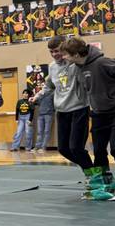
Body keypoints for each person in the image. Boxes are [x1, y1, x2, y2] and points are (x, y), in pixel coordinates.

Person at [61, 37, 115, 199]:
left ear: (75, 54)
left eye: (66, 55)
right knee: (99, 151)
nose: (64, 57)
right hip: (98, 114)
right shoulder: (76, 68)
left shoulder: (103, 62)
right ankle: (105, 183)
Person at [32, 36, 95, 192]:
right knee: (64, 149)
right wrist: (38, 96)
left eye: (58, 51)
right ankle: (92, 171)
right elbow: (49, 86)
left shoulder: (76, 63)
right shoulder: (52, 67)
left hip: (79, 108)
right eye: (51, 52)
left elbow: (90, 80)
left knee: (76, 147)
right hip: (62, 110)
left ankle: (94, 175)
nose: (55, 54)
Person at [32, 86, 55, 154]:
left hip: (49, 115)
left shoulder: (52, 94)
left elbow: (55, 103)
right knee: (39, 132)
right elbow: (35, 102)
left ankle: (43, 147)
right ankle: (37, 147)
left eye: (45, 86)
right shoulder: (40, 95)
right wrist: (32, 99)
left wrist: (52, 110)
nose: (44, 88)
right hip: (40, 115)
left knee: (46, 131)